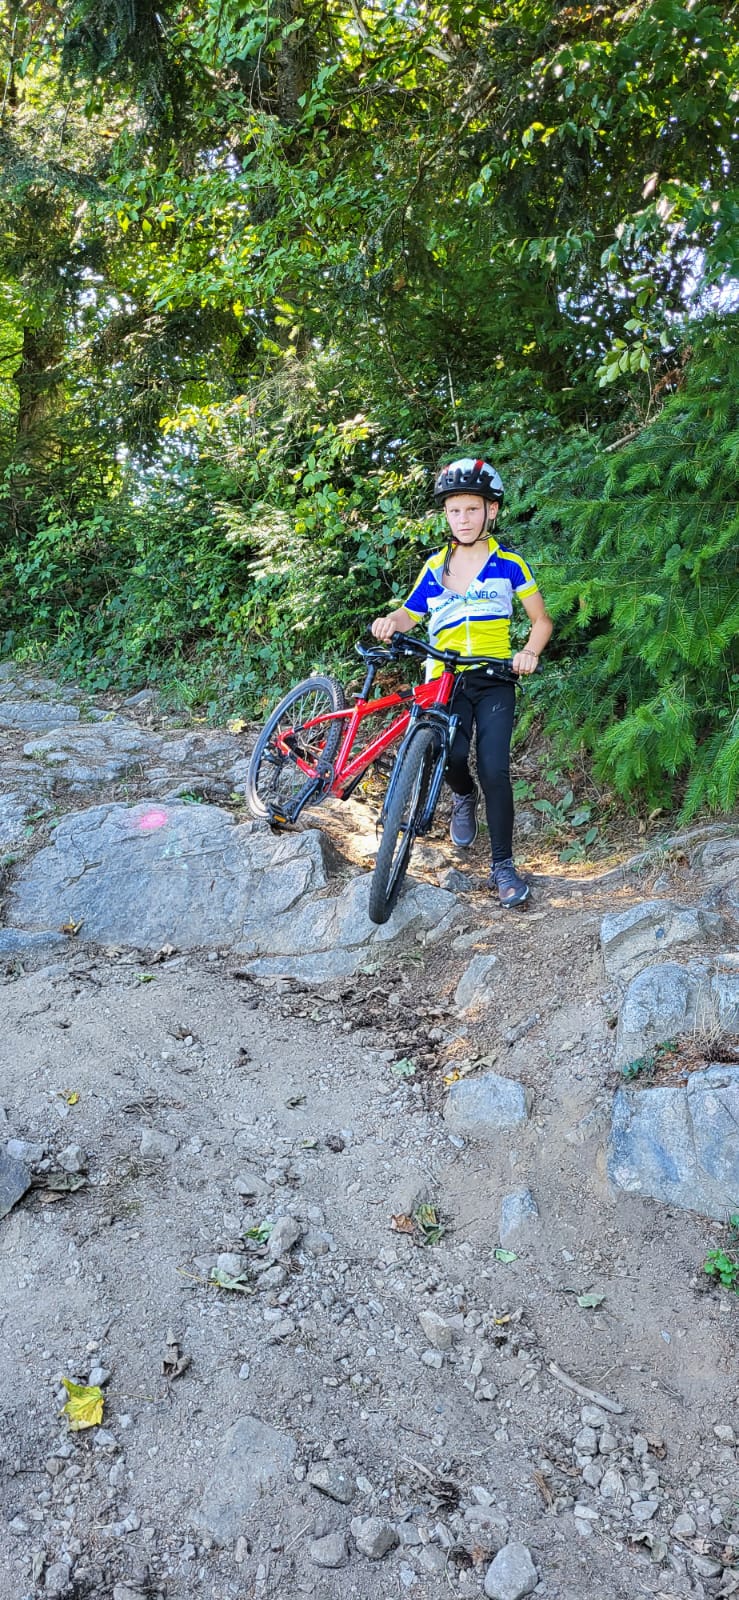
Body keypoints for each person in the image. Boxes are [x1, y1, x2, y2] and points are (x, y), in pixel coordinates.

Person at [371, 456, 552, 907]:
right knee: (450, 757)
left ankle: (503, 867)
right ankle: (463, 795)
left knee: (494, 768)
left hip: (493, 678)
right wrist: (389, 621)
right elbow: (409, 613)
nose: (463, 518)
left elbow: (541, 621)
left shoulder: (510, 564)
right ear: (446, 515)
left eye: (472, 509)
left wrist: (529, 652)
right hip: (444, 679)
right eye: (454, 510)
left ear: (492, 510)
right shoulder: (435, 567)